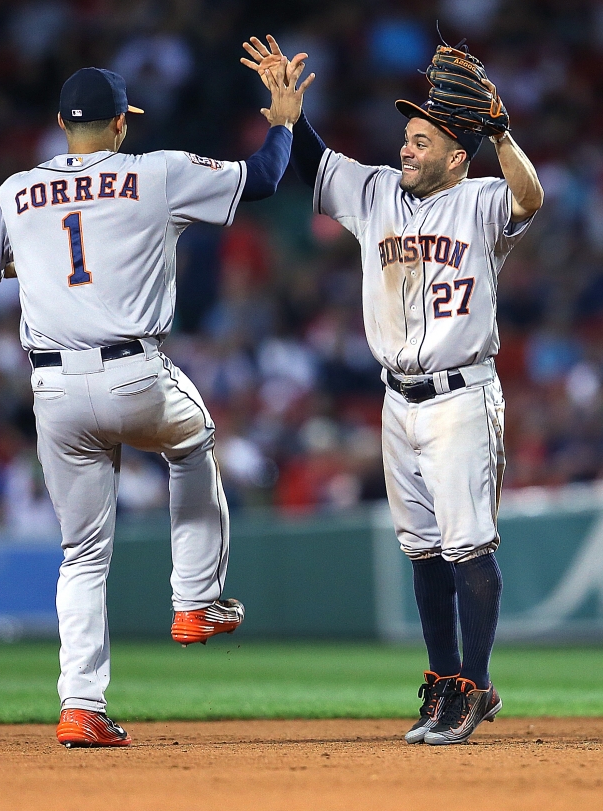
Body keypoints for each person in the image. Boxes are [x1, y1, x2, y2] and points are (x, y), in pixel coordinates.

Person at [0, 56, 313, 748]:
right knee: (193, 438)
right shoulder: (153, 170)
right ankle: (194, 600)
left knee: (82, 553)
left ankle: (80, 704)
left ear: (61, 126)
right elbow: (264, 177)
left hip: (53, 388)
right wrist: (282, 122)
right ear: (124, 122)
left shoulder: (16, 189)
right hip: (132, 371)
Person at [242, 36, 542, 745]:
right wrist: (290, 116)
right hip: (396, 399)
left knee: (469, 544)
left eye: (421, 140)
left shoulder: (480, 200)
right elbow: (316, 163)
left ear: (454, 155)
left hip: (462, 393)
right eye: (405, 137)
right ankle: (443, 682)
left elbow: (530, 196)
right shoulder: (376, 192)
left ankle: (476, 680)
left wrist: (500, 130)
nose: (406, 148)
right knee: (424, 548)